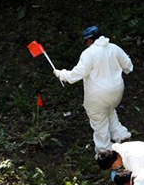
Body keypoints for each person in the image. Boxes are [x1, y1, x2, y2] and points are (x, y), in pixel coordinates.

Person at [54, 26, 133, 156]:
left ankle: (105, 152)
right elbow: (128, 66)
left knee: (99, 121)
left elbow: (76, 75)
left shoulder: (89, 53)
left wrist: (61, 74)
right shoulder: (114, 48)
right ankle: (122, 136)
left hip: (98, 95)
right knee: (109, 111)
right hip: (117, 91)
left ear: (89, 40)